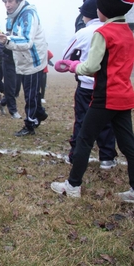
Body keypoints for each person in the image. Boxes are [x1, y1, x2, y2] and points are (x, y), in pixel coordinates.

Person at [51, 0, 134, 203]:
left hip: (105, 96)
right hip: (125, 95)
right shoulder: (128, 32)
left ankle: (73, 185)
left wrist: (72, 65)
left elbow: (91, 66)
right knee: (128, 146)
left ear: (106, 10)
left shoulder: (103, 33)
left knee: (84, 139)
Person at [57, 0, 117, 170]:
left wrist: (76, 62)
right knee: (106, 122)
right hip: (106, 86)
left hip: (86, 85)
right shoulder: (112, 31)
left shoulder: (83, 33)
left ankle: (76, 155)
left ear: (86, 14)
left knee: (82, 121)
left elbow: (65, 55)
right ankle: (107, 157)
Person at [0, 0, 48, 136]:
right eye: (5, 2)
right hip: (23, 60)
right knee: (33, 92)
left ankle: (30, 124)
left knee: (30, 94)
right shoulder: (13, 16)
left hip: (32, 60)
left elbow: (27, 40)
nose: (7, 5)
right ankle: (40, 113)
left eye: (10, 1)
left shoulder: (28, 15)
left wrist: (8, 40)